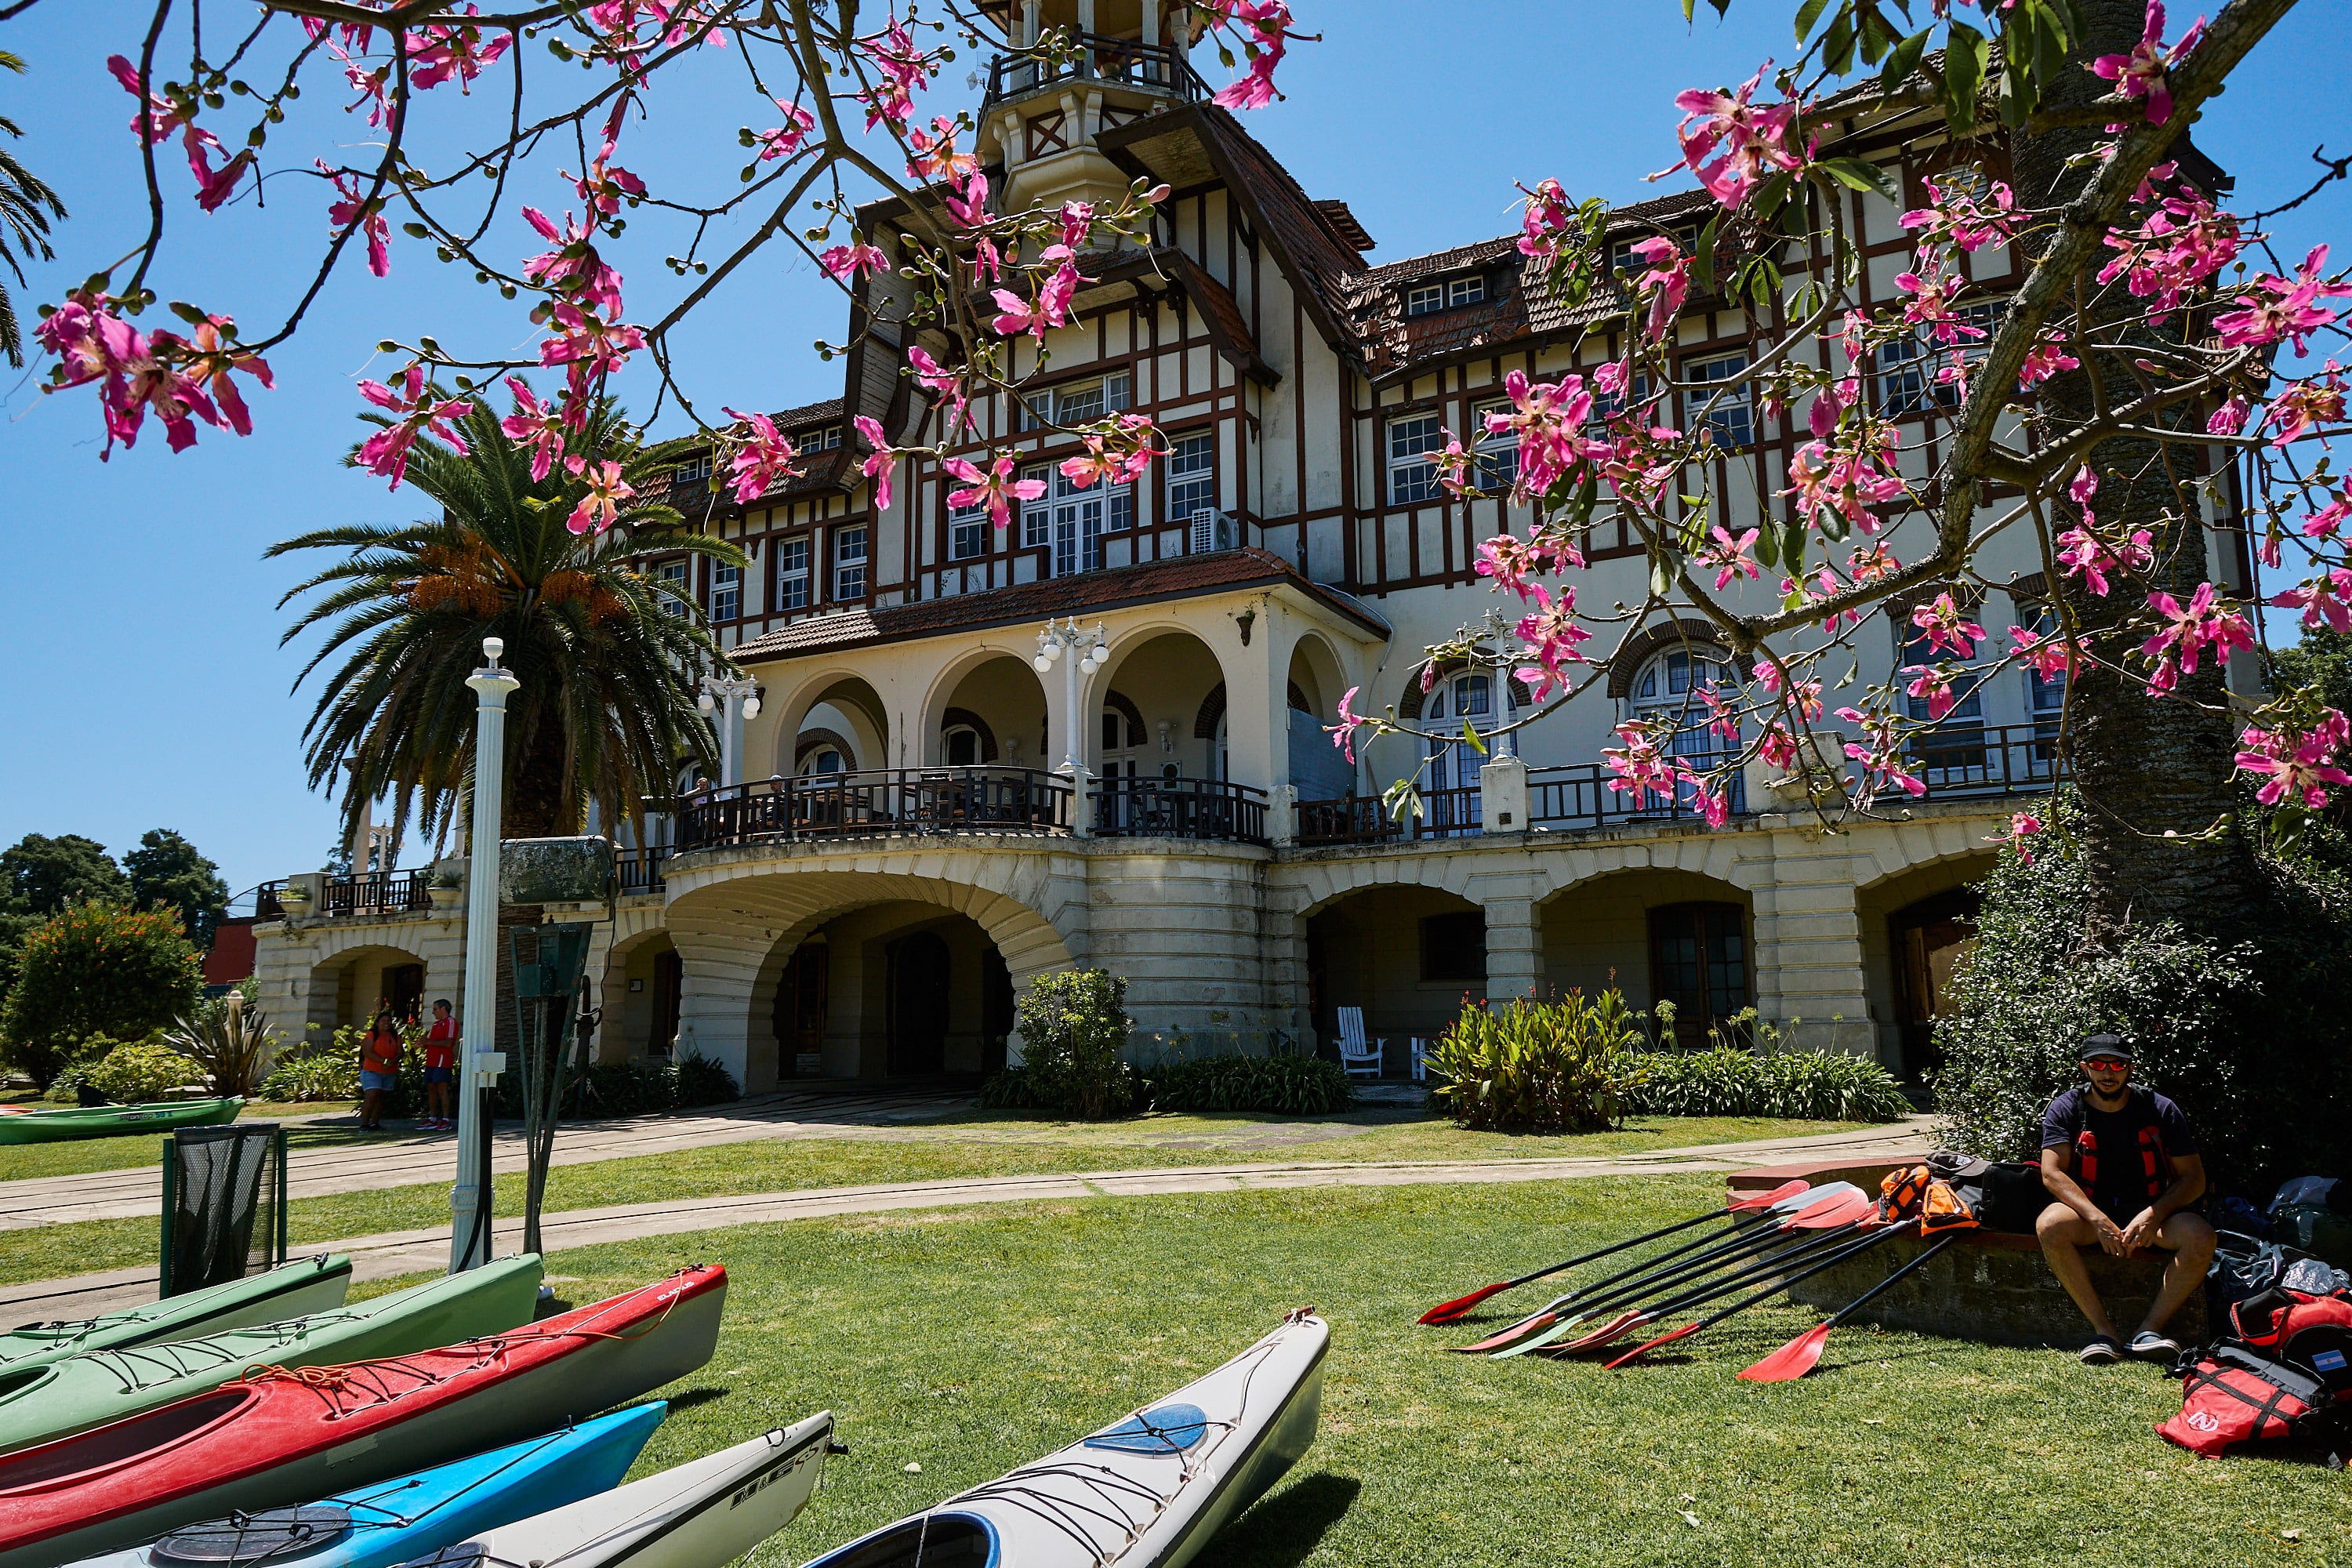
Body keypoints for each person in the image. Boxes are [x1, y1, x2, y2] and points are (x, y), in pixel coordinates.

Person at [2036, 1034, 2216, 1365]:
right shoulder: (2066, 1108)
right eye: (2098, 1065)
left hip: (2155, 1216)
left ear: (2130, 1068)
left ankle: (2149, 1331)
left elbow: (2194, 1179)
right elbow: (2052, 1174)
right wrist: (2096, 1218)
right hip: (2092, 1215)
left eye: (2117, 1064)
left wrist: (2153, 1215)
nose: (2108, 1073)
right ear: (2085, 1068)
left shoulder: (2159, 1108)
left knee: (2200, 1236)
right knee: (2049, 1224)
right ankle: (2104, 1333)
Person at [358, 1007, 405, 1133]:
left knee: (381, 1098)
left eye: (389, 1021)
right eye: (383, 1020)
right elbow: (367, 1052)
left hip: (389, 1072)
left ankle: (375, 1123)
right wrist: (384, 1061)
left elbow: (400, 1052)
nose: (386, 1023)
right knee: (371, 1095)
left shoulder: (395, 1036)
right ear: (377, 1022)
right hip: (372, 1071)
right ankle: (364, 1124)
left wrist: (392, 1062)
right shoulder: (371, 1035)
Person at [421, 1000, 459, 1131]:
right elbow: (432, 1042)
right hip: (431, 1061)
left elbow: (449, 1043)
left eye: (435, 1009)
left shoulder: (451, 1022)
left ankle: (446, 1119)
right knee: (431, 1088)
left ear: (443, 1009)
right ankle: (432, 1118)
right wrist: (423, 1044)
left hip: (443, 1061)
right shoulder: (436, 1024)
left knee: (442, 1088)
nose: (433, 1012)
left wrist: (429, 1042)